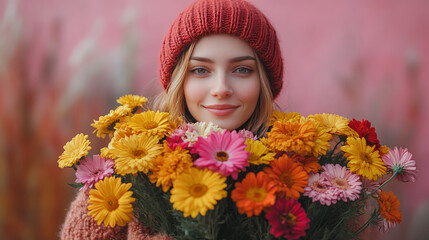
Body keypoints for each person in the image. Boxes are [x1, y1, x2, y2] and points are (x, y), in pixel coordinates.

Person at [60, 0, 284, 239]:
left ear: (264, 82)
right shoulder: (125, 173)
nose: (221, 89)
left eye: (242, 69)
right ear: (179, 81)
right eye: (200, 70)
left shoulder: (298, 173)